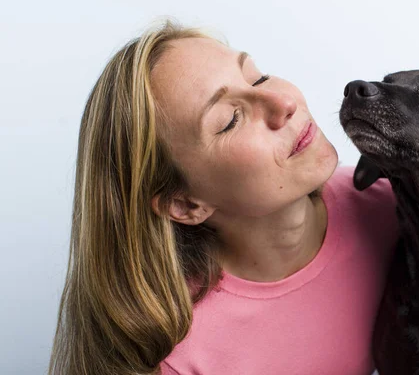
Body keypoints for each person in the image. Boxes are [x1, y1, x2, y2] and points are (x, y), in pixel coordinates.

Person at [48, 20, 399, 375]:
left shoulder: (398, 214)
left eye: (258, 78)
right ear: (185, 204)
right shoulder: (177, 358)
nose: (283, 101)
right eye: (231, 119)